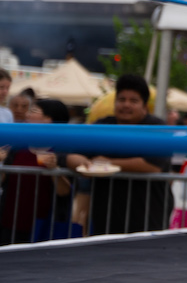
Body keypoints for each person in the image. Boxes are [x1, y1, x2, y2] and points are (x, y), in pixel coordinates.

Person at [66, 74, 174, 235]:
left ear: (145, 106)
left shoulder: (157, 127)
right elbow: (70, 154)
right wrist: (82, 163)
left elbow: (153, 165)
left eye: (133, 101)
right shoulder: (102, 125)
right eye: (121, 99)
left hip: (148, 216)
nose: (126, 105)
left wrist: (107, 162)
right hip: (105, 218)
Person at [0, 98, 73, 244]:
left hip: (43, 228)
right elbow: (3, 181)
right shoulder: (16, 148)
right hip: (9, 223)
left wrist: (54, 170)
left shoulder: (62, 152)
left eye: (33, 111)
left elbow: (64, 192)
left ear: (49, 119)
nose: (27, 114)